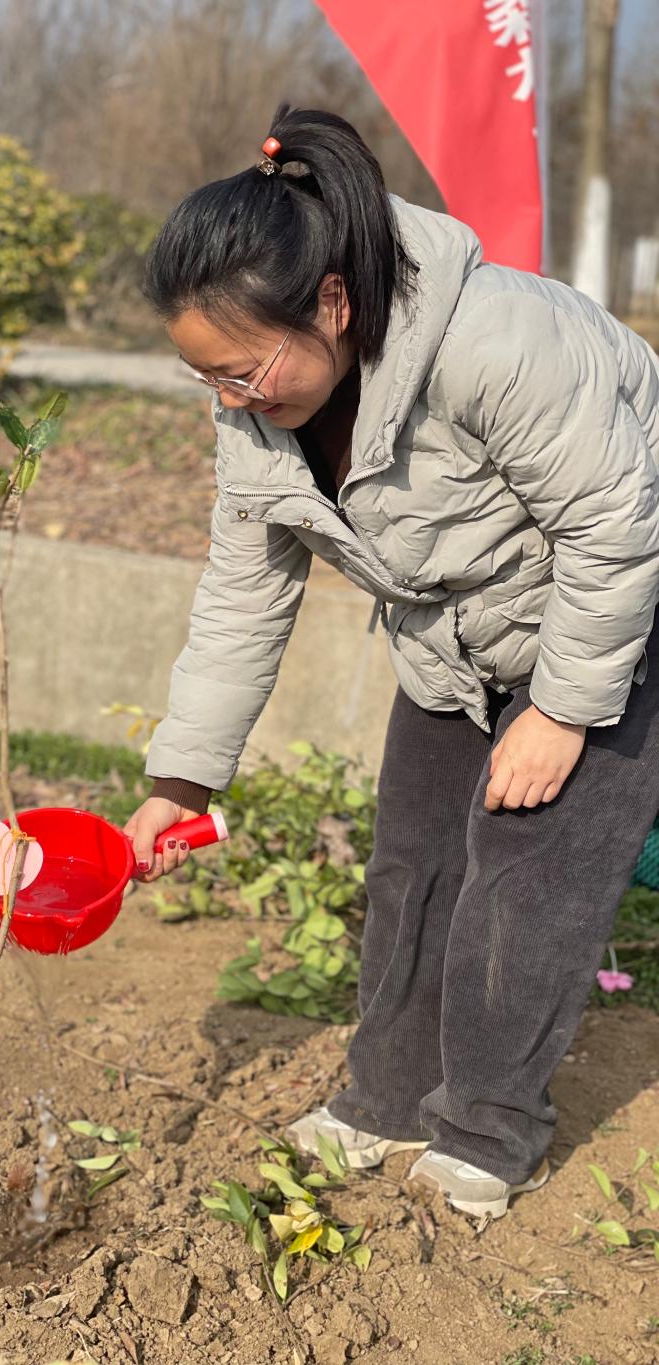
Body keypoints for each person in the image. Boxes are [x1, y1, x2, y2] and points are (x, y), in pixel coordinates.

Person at [122, 105, 659, 1221]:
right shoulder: (256, 418)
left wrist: (562, 711)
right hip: (453, 636)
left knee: (529, 879)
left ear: (333, 302)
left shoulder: (496, 339)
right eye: (207, 377)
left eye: (244, 369)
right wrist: (181, 782)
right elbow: (242, 596)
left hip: (614, 615)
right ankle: (387, 1100)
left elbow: (611, 531)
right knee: (412, 865)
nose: (232, 398)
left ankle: (488, 1133)